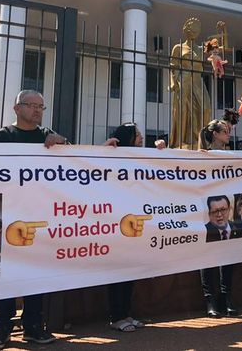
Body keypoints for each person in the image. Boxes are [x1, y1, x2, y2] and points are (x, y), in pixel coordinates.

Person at [0, 89, 66, 350]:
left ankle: (33, 327)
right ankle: (1, 330)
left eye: (41, 107)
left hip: (40, 216)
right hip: (7, 215)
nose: (37, 111)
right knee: (6, 276)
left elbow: (74, 167)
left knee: (36, 274)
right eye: (31, 105)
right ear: (16, 108)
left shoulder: (49, 137)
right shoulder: (1, 137)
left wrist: (63, 145)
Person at [102, 123, 148, 332]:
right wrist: (103, 150)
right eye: (136, 135)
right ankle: (116, 317)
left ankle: (127, 314)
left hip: (134, 225)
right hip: (114, 225)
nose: (141, 137)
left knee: (130, 274)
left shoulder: (142, 158)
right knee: (116, 274)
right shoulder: (110, 156)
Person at [197, 119, 242, 317]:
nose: (229, 134)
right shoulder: (203, 155)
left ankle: (226, 297)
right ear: (215, 134)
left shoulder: (233, 155)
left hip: (228, 210)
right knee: (208, 257)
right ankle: (210, 300)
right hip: (207, 211)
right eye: (224, 131)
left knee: (228, 255)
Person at [169, 17, 212, 149]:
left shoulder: (200, 49)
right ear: (186, 30)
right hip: (184, 79)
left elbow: (221, 48)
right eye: (192, 28)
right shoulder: (178, 47)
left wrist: (223, 31)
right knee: (183, 111)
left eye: (197, 29)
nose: (195, 31)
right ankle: (180, 142)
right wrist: (173, 82)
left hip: (198, 80)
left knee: (205, 108)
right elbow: (173, 66)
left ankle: (201, 139)